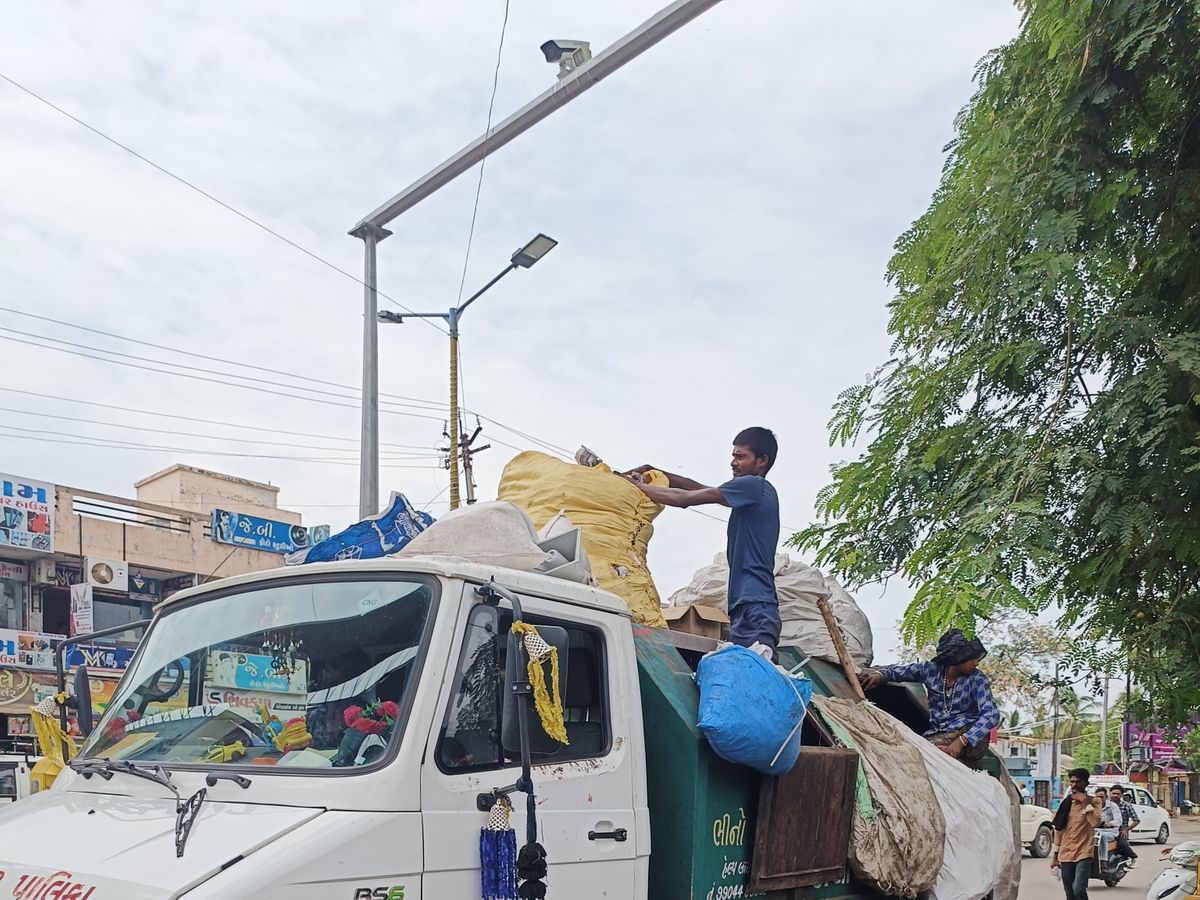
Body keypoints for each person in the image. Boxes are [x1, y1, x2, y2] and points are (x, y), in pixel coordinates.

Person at [623, 427, 781, 654]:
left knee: (752, 676)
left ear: (761, 461)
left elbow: (685, 498)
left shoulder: (754, 486)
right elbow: (698, 488)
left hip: (755, 607)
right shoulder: (752, 493)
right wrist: (659, 474)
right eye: (733, 456)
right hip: (749, 606)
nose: (733, 462)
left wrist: (638, 486)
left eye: (741, 456)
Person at [858, 628, 1000, 768]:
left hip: (966, 738)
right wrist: (879, 676)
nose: (976, 663)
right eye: (972, 658)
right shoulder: (930, 670)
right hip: (936, 735)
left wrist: (962, 741)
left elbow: (991, 715)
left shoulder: (977, 679)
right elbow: (899, 672)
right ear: (958, 656)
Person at [1051, 768, 1103, 900]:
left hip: (1083, 852)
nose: (1074, 785)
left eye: (1078, 782)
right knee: (1070, 894)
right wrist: (1055, 856)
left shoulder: (1095, 801)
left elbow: (1095, 823)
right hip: (1065, 852)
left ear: (1086, 783)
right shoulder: (1066, 803)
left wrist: (1085, 802)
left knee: (1079, 889)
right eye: (1072, 782)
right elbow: (1059, 830)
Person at [1109, 785, 1140, 867]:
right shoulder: (1106, 805)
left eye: (1118, 794)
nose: (1115, 795)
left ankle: (1133, 857)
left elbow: (1136, 820)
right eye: (1113, 793)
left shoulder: (1126, 805)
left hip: (1121, 832)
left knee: (1121, 844)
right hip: (1107, 830)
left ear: (1122, 795)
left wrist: (1126, 829)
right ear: (1110, 794)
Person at [1095, 787, 1121, 867]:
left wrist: (1109, 824)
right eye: (1097, 797)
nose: (1099, 799)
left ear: (1106, 797)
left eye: (1101, 797)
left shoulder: (1113, 806)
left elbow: (1118, 821)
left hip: (1110, 832)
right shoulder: (1093, 807)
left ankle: (1103, 862)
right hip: (1096, 830)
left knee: (1103, 837)